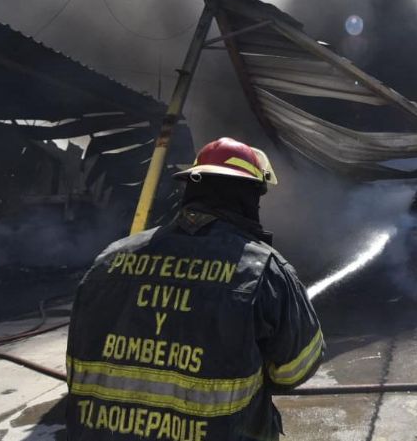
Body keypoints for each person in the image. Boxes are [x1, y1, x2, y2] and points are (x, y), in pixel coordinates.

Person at [65, 137, 323, 441]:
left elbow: (76, 363)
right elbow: (294, 370)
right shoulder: (264, 269)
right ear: (246, 196)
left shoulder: (109, 260)